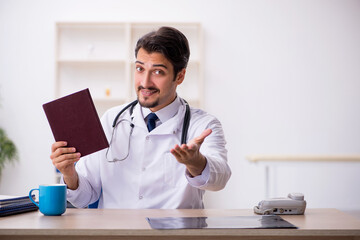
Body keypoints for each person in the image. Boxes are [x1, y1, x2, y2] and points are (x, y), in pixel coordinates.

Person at [50, 26, 231, 209]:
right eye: (139, 69)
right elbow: (85, 197)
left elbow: (220, 178)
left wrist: (196, 163)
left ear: (180, 76)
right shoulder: (111, 120)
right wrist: (69, 173)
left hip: (174, 235)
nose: (145, 82)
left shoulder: (203, 125)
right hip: (116, 233)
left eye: (158, 72)